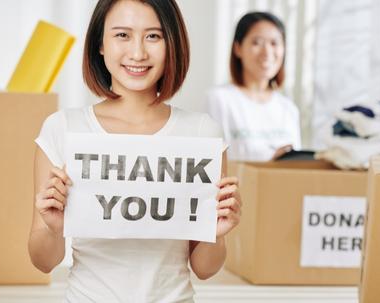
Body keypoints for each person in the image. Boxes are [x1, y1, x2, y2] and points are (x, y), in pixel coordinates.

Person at [28, 0, 242, 302]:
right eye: (122, 35)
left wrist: (216, 233)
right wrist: (53, 228)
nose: (138, 53)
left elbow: (205, 269)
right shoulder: (62, 128)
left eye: (153, 36)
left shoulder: (202, 134)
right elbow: (43, 261)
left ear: (172, 44)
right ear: (100, 44)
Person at [207, 11, 301, 162]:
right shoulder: (220, 99)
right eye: (257, 42)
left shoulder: (288, 108)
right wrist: (270, 159)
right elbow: (212, 162)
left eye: (274, 43)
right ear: (238, 48)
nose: (267, 52)